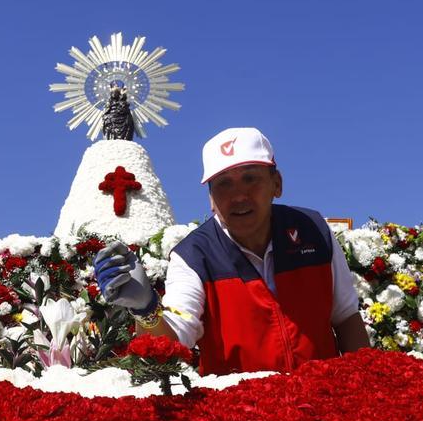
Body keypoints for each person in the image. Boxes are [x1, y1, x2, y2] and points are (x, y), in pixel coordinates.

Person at [94, 127, 370, 374]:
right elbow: (175, 340)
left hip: (320, 406)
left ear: (277, 184)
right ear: (211, 199)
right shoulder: (192, 256)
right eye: (223, 183)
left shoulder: (313, 230)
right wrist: (146, 310)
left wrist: (365, 386)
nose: (238, 196)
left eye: (251, 178)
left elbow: (345, 316)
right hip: (239, 419)